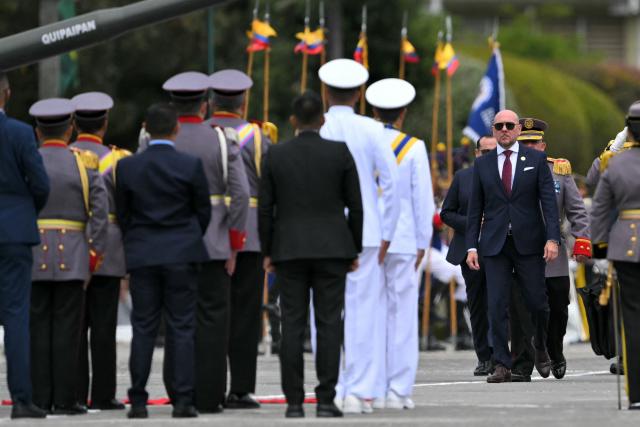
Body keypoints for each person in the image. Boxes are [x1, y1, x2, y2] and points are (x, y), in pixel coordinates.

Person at [258, 90, 363, 418]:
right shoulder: (339, 152)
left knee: (292, 324)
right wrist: (354, 247)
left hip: (289, 250)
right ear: (322, 119)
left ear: (292, 121)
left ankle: (292, 402)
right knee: (329, 323)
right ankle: (326, 399)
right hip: (333, 249)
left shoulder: (275, 155)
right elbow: (356, 206)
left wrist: (267, 250)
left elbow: (264, 209)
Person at [161, 71, 250, 413]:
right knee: (213, 320)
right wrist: (235, 242)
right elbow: (240, 194)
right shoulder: (220, 139)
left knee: (176, 319)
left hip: (170, 243)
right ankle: (211, 395)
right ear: (204, 104)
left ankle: (178, 391)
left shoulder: (157, 139)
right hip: (214, 243)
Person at [115, 103, 211, 419]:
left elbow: (124, 215)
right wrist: (186, 238)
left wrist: (140, 240)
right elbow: (203, 212)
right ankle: (183, 400)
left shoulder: (128, 167)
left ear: (145, 127)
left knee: (143, 328)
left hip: (144, 254)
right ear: (176, 128)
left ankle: (138, 401)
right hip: (182, 253)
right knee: (182, 328)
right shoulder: (190, 165)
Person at [318, 58, 399, 414]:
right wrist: (388, 232)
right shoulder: (371, 129)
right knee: (363, 312)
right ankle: (361, 392)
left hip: (323, 233)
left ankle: (331, 387)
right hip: (367, 234)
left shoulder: (317, 128)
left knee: (324, 313)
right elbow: (391, 184)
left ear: (325, 92)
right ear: (360, 94)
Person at [466, 109, 560, 383]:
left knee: (537, 303)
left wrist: (552, 238)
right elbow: (475, 210)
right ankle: (501, 364)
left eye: (509, 125)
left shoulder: (537, 158)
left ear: (518, 128)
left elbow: (548, 204)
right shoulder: (483, 165)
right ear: (494, 131)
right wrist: (472, 246)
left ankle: (540, 346)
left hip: (529, 242)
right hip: (495, 245)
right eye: (499, 126)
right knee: (495, 305)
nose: (504, 129)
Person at [28, 98, 108, 414]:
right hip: (74, 254)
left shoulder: (28, 161)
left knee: (37, 328)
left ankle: (39, 397)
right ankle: (65, 398)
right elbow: (99, 213)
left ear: (37, 132)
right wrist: (94, 253)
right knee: (67, 330)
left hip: (33, 253)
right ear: (70, 128)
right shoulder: (85, 162)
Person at [365, 78, 434, 409]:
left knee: (370, 313)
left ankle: (372, 387)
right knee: (402, 315)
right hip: (405, 240)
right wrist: (424, 241)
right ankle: (398, 390)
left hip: (367, 238)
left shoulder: (363, 142)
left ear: (374, 111)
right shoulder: (413, 147)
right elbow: (422, 200)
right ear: (403, 113)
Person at [509, 118, 592, 382]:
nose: (530, 147)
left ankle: (555, 349)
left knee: (558, 307)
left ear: (543, 145)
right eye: (525, 143)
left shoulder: (559, 171)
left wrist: (582, 241)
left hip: (554, 253)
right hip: (523, 251)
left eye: (534, 143)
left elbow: (578, 211)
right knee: (528, 307)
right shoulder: (510, 171)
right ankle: (536, 352)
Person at [208, 69, 269, 409]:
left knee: (211, 311)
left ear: (213, 101)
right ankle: (241, 387)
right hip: (250, 235)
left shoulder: (202, 133)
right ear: (243, 102)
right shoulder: (258, 138)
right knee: (246, 314)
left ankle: (210, 384)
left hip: (208, 233)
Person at [70, 91, 129, 410]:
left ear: (74, 125)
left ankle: (76, 394)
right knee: (104, 329)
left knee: (76, 327)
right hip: (110, 251)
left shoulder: (65, 155)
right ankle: (104, 394)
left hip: (72, 247)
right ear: (104, 125)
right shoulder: (117, 159)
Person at [0, 71, 50, 419]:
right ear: (6, 94)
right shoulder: (19, 133)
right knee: (16, 317)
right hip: (13, 233)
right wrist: (25, 211)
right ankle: (21, 399)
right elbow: (41, 183)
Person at [591, 100, 640, 410]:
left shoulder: (616, 163)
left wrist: (599, 249)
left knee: (632, 320)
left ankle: (637, 395)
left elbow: (598, 207)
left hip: (626, 246)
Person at [441, 135, 497, 376]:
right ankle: (484, 356)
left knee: (500, 303)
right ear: (476, 154)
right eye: (484, 152)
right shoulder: (463, 178)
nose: (489, 156)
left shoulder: (507, 175)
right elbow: (447, 213)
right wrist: (473, 223)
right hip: (469, 248)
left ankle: (501, 354)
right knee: (477, 303)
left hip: (499, 248)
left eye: (493, 151)